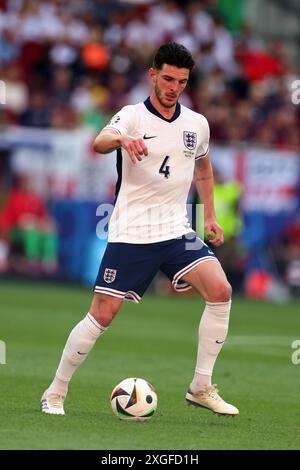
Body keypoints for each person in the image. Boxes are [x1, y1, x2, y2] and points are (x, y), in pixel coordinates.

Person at [41, 42, 239, 417]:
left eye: (181, 81)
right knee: (102, 314)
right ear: (153, 75)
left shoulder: (197, 124)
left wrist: (209, 216)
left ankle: (201, 386)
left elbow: (204, 168)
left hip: (176, 229)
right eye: (167, 78)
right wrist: (122, 138)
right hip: (132, 231)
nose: (173, 87)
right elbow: (99, 142)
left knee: (221, 289)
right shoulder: (132, 116)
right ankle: (55, 392)